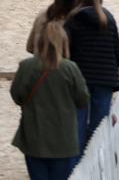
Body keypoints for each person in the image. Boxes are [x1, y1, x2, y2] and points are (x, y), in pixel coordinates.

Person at [13, 21, 90, 180]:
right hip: (63, 139)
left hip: (34, 136)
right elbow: (83, 99)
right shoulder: (70, 68)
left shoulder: (27, 66)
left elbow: (17, 95)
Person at [64, 0, 119, 154]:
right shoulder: (108, 18)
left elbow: (67, 51)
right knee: (99, 127)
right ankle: (96, 160)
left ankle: (78, 163)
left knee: (78, 125)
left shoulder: (73, 19)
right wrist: (111, 71)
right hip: (104, 79)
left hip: (80, 79)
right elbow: (116, 51)